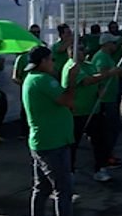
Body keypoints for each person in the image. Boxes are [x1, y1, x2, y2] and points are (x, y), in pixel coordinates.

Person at [23, 46, 78, 216]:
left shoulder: (32, 78)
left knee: (43, 187)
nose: (53, 63)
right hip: (53, 142)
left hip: (45, 140)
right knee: (63, 189)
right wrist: (72, 79)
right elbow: (67, 100)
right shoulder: (43, 80)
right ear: (43, 61)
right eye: (51, 59)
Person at [61, 43, 122, 183]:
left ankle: (100, 169)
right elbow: (87, 81)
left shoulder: (89, 65)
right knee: (72, 144)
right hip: (76, 113)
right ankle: (69, 172)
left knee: (99, 141)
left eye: (83, 49)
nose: (83, 52)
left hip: (93, 110)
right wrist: (109, 73)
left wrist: (100, 89)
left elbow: (96, 80)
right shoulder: (71, 67)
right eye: (79, 50)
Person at [91, 32, 122, 168]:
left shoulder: (107, 56)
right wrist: (113, 72)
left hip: (111, 96)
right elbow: (99, 74)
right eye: (113, 43)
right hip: (105, 99)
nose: (115, 45)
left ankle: (109, 154)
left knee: (111, 128)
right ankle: (106, 156)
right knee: (109, 129)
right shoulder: (101, 57)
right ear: (107, 44)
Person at [14, 24, 44, 140]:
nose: (36, 35)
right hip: (28, 88)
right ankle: (24, 132)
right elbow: (15, 76)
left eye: (38, 32)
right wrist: (25, 84)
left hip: (41, 87)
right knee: (26, 110)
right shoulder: (22, 55)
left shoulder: (44, 48)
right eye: (33, 33)